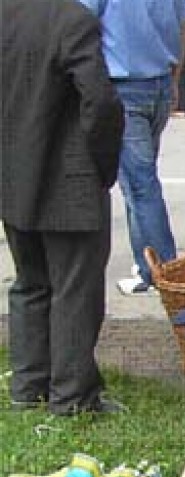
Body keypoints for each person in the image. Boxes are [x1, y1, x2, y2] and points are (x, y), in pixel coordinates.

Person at [1, 0, 124, 414]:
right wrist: (102, 167)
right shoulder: (71, 19)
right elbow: (101, 102)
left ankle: (28, 387)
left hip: (13, 176)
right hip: (68, 179)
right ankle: (72, 397)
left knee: (30, 284)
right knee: (75, 289)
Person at [78, 0, 185, 295]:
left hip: (123, 86)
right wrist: (175, 80)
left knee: (140, 185)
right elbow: (183, 27)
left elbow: (79, 25)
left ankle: (162, 271)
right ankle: (145, 261)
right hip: (159, 83)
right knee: (137, 183)